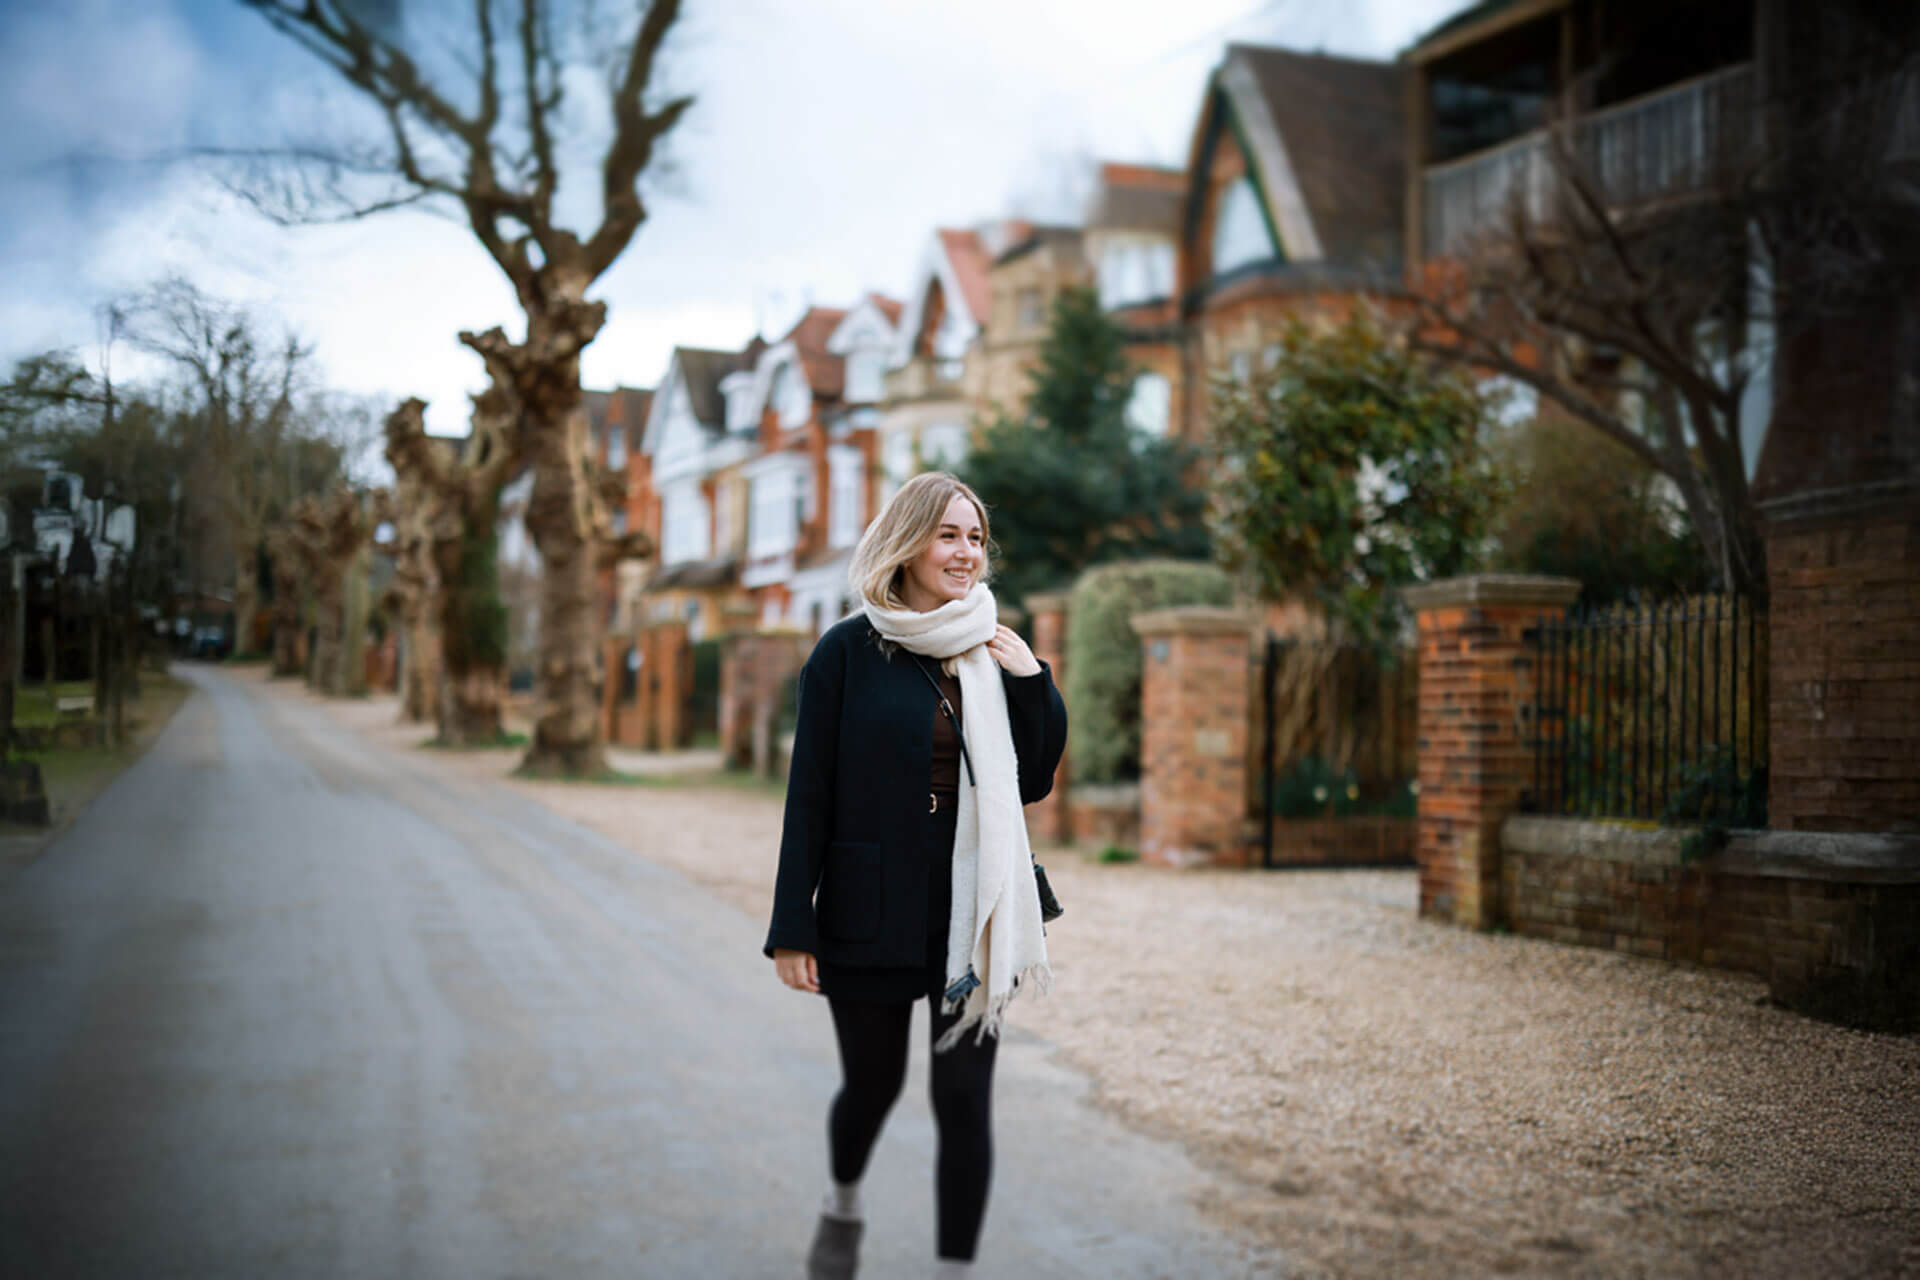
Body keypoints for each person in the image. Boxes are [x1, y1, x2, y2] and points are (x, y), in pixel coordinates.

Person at [765, 472, 1068, 1279]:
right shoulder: (846, 652)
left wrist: (1033, 683)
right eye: (948, 535)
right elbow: (810, 796)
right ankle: (843, 1202)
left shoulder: (992, 646)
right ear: (906, 544)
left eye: (974, 537)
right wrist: (792, 925)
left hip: (976, 913)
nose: (966, 553)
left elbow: (1032, 780)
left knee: (964, 1100)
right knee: (871, 1087)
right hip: (869, 909)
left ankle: (953, 1271)